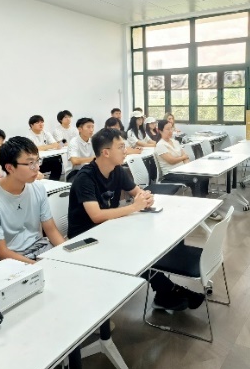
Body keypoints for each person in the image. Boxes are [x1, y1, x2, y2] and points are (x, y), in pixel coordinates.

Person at [68, 127, 204, 312]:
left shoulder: (117, 170)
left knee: (144, 242)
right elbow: (96, 215)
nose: (125, 151)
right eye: (120, 147)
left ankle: (166, 291)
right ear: (106, 152)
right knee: (134, 249)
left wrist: (145, 198)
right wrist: (134, 207)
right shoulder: (85, 177)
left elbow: (137, 192)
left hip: (108, 227)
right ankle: (167, 291)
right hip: (85, 236)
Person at [0, 137, 65, 265]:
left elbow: (51, 230)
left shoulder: (38, 188)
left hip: (39, 248)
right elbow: (2, 252)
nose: (37, 168)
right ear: (10, 168)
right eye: (30, 163)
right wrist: (38, 267)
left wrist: (66, 254)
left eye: (37, 161)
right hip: (7, 260)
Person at [27, 115, 63, 181]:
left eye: (42, 122)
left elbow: (56, 144)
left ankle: (53, 182)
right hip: (34, 163)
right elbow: (34, 149)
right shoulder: (28, 136)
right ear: (31, 125)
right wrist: (50, 146)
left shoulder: (46, 133)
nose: (41, 124)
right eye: (37, 122)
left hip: (45, 160)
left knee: (57, 162)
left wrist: (45, 147)